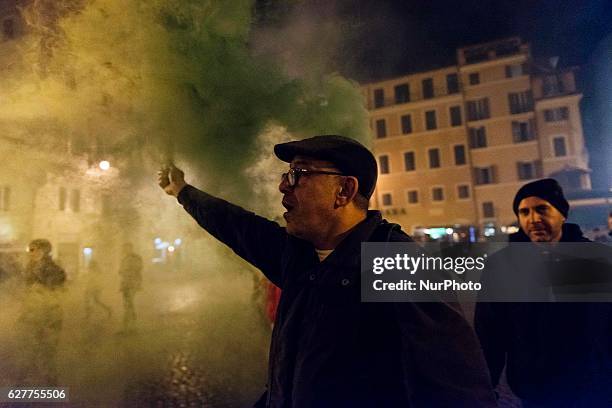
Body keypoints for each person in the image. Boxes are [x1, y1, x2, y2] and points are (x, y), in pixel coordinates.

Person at [159, 134, 495, 407]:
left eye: (299, 174)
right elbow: (236, 225)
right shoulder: (300, 257)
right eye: (286, 175)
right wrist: (183, 192)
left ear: (344, 191)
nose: (283, 186)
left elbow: (459, 392)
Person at [474, 178, 612, 407]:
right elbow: (489, 335)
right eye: (524, 212)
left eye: (542, 209)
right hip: (535, 389)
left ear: (562, 214)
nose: (533, 219)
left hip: (596, 387)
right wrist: (483, 387)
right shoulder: (501, 267)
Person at [18, 238, 66, 385]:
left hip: (50, 315)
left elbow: (54, 293)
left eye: (33, 249)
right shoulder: (31, 267)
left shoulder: (52, 269)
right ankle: (30, 380)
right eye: (29, 250)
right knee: (32, 347)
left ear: (43, 251)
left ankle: (51, 385)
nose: (30, 253)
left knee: (48, 350)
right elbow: (29, 292)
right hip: (35, 315)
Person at [118, 243, 143, 331]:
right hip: (125, 284)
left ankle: (127, 325)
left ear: (131, 248)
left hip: (132, 284)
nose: (125, 250)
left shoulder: (136, 258)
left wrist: (129, 271)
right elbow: (120, 271)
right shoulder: (124, 259)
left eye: (127, 248)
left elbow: (139, 269)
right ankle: (132, 324)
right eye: (124, 248)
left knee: (129, 303)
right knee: (127, 304)